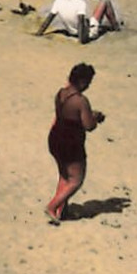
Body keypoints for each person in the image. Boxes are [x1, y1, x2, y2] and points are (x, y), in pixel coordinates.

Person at [45, 62, 104, 224]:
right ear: (82, 82)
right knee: (75, 180)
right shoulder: (80, 100)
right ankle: (52, 206)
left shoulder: (61, 94)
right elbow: (89, 126)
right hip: (71, 142)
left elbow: (68, 115)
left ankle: (61, 211)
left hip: (55, 138)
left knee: (64, 176)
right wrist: (96, 118)